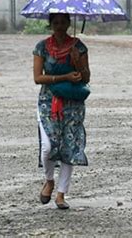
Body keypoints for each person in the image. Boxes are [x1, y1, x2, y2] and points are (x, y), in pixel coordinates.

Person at [33, 13, 90, 209]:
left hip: (72, 103)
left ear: (68, 23)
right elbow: (37, 78)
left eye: (63, 22)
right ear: (51, 24)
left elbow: (86, 77)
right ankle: (49, 180)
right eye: (55, 22)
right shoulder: (41, 47)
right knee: (48, 146)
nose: (59, 26)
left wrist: (78, 62)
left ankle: (61, 194)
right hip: (48, 102)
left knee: (69, 146)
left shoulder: (78, 46)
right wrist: (64, 76)